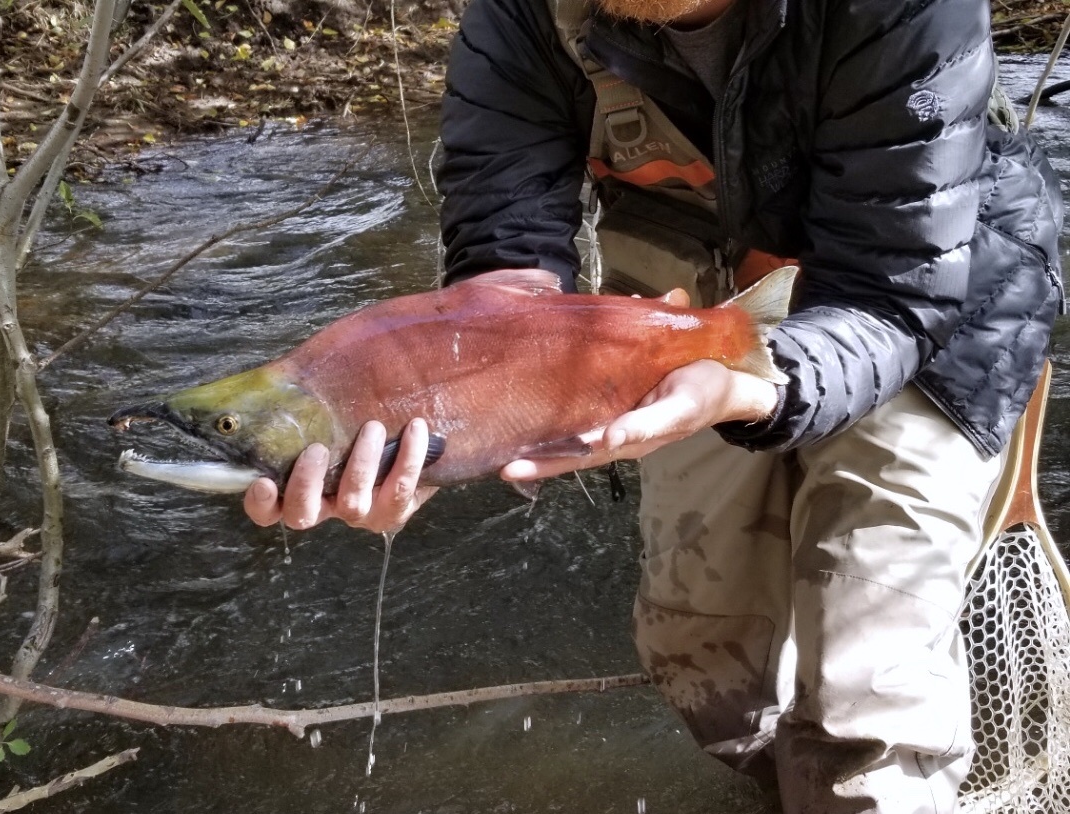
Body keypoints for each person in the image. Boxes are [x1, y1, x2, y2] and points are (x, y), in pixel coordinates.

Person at [244, 0, 1066, 810]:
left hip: (934, 316)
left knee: (867, 704)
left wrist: (755, 385)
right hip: (677, 322)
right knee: (702, 658)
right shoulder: (518, 17)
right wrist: (453, 421)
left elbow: (894, 294)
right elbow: (506, 262)